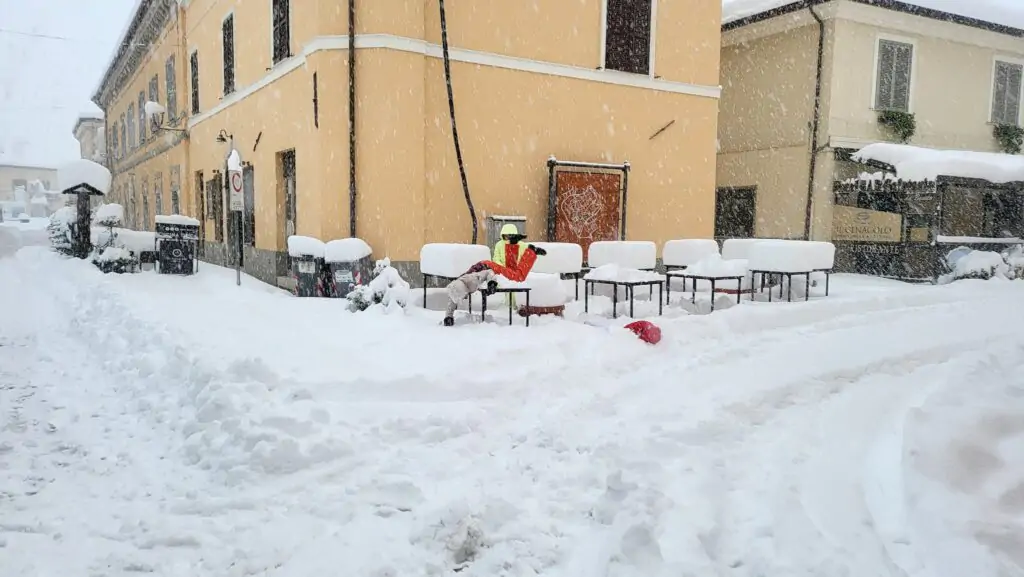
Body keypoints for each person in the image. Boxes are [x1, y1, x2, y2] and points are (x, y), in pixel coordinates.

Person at [443, 243, 547, 326]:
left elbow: (488, 273)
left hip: (488, 267)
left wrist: (491, 283)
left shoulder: (471, 280)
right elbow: (452, 302)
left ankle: (531, 251)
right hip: (484, 266)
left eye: (463, 296)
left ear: (463, 290)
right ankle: (525, 250)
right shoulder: (456, 287)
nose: (464, 298)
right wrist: (448, 317)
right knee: (514, 272)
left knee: (518, 277)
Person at [493, 224, 528, 308]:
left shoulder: (522, 245)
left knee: (516, 286)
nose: (508, 237)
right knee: (508, 286)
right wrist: (503, 269)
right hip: (504, 272)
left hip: (517, 271)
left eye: (510, 235)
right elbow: (496, 258)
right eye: (506, 235)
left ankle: (517, 305)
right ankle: (509, 304)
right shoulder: (499, 245)